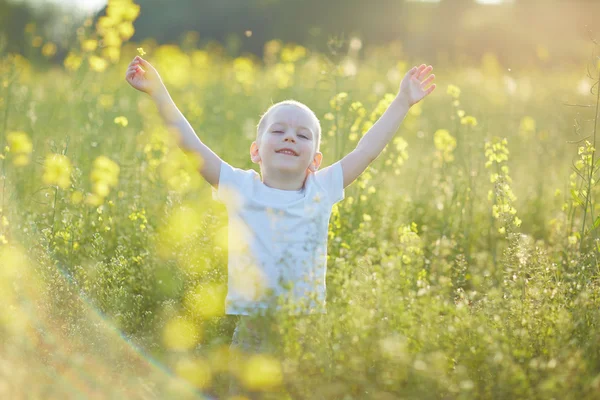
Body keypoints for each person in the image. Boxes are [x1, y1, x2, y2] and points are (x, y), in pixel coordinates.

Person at [126, 54, 435, 399]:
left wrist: (402, 101)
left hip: (304, 327)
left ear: (315, 161)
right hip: (253, 330)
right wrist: (158, 93)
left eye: (303, 135)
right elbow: (191, 146)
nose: (290, 138)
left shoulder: (320, 191)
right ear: (256, 152)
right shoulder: (240, 188)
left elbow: (367, 151)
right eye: (279, 131)